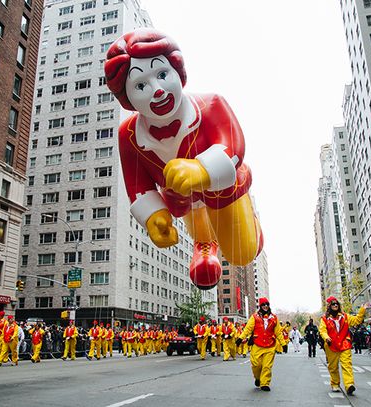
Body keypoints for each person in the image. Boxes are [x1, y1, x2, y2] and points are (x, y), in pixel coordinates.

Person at [104, 29, 263, 291]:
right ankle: (204, 242)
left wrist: (202, 168)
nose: (157, 91)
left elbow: (233, 145)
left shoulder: (211, 104)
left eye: (162, 75)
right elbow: (138, 185)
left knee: (242, 254)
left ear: (178, 72)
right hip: (182, 199)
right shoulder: (128, 135)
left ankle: (250, 226)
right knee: (189, 204)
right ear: (128, 98)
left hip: (223, 189)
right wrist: (154, 216)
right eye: (140, 85)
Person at [319, 296, 366, 395]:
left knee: (347, 365)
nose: (335, 305)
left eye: (336, 304)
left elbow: (357, 320)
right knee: (333, 367)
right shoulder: (324, 319)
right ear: (329, 306)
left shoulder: (345, 316)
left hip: (345, 344)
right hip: (331, 345)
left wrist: (362, 310)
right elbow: (322, 330)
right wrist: (326, 337)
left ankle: (349, 385)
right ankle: (335, 383)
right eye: (333, 304)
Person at [236, 297, 285, 392]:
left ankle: (265, 383)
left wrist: (283, 343)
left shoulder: (274, 318)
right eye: (263, 304)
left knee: (267, 366)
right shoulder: (254, 317)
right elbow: (248, 329)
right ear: (260, 306)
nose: (265, 306)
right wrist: (240, 338)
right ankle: (258, 378)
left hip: (270, 346)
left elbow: (278, 331)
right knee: (256, 365)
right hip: (257, 345)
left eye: (267, 304)